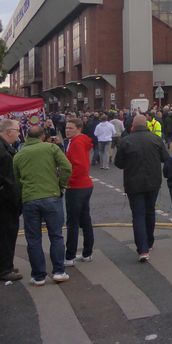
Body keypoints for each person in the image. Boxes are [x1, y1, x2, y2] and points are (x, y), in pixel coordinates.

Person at [13, 124, 73, 285]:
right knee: (56, 235)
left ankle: (38, 276)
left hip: (30, 199)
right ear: (43, 136)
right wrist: (61, 185)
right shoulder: (51, 148)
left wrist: (23, 190)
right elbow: (67, 167)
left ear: (27, 137)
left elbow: (16, 179)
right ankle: (59, 271)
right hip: (51, 195)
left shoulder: (19, 155)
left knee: (33, 239)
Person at [115, 114, 168, 262]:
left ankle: (143, 249)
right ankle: (150, 242)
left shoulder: (126, 141)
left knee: (138, 215)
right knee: (150, 211)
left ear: (132, 126)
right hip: (153, 182)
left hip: (133, 183)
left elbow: (118, 163)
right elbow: (165, 158)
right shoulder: (156, 139)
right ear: (146, 125)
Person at [64, 118, 95, 266]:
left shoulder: (76, 143)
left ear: (78, 128)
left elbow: (79, 166)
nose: (67, 130)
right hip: (85, 185)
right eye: (66, 127)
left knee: (73, 222)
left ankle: (70, 256)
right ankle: (87, 253)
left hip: (76, 187)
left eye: (70, 128)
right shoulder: (82, 140)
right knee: (85, 219)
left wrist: (67, 181)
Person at [0, 119, 23, 282]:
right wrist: (16, 200)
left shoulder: (6, 148)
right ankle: (4, 269)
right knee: (6, 234)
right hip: (5, 202)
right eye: (17, 130)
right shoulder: (3, 151)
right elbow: (8, 180)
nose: (19, 133)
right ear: (8, 132)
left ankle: (6, 264)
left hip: (5, 199)